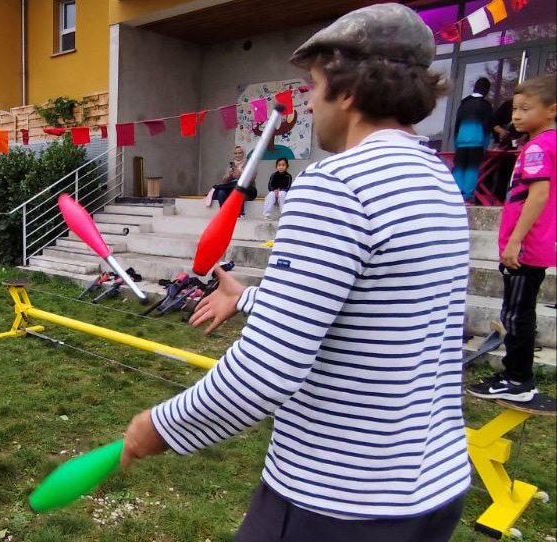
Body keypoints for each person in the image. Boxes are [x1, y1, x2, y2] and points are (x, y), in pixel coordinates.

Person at [119, 5, 471, 542]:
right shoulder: (437, 181)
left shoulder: (337, 185)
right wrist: (246, 300)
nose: (307, 102)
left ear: (348, 91)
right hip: (431, 489)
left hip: (336, 499)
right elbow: (374, 308)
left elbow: (265, 372)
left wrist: (159, 427)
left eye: (313, 85)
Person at [467, 75, 555, 402]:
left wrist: (516, 240)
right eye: (515, 108)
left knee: (516, 316)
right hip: (532, 246)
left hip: (526, 248)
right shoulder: (545, 144)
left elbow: (539, 194)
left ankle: (517, 380)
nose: (515, 115)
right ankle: (517, 376)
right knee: (519, 313)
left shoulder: (538, 148)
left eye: (525, 109)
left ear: (551, 111)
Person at [452, 77, 494, 201]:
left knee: (459, 167)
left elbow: (457, 126)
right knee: (472, 168)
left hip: (461, 141)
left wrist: (456, 144)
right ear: (486, 90)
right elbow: (487, 127)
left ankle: (455, 194)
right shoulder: (485, 106)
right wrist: (485, 147)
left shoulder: (463, 104)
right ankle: (467, 196)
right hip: (477, 142)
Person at [207, 145, 258, 216]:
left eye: (240, 153)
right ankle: (223, 213)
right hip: (233, 189)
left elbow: (251, 179)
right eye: (235, 153)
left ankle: (240, 212)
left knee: (238, 185)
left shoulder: (250, 165)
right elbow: (225, 182)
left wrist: (239, 174)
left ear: (244, 154)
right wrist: (229, 176)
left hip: (249, 190)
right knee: (221, 192)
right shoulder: (232, 165)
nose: (237, 155)